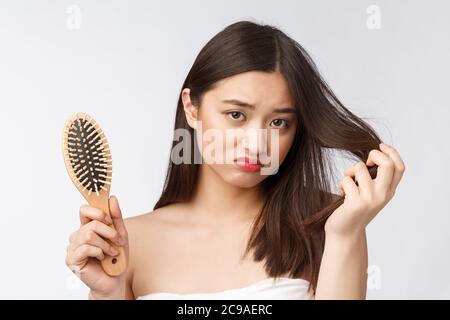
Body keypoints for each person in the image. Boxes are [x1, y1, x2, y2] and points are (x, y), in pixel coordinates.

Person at [65, 20, 405, 300]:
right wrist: (107, 293)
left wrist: (345, 234)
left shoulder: (326, 228)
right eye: (236, 115)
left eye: (278, 122)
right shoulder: (129, 245)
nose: (257, 143)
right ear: (192, 107)